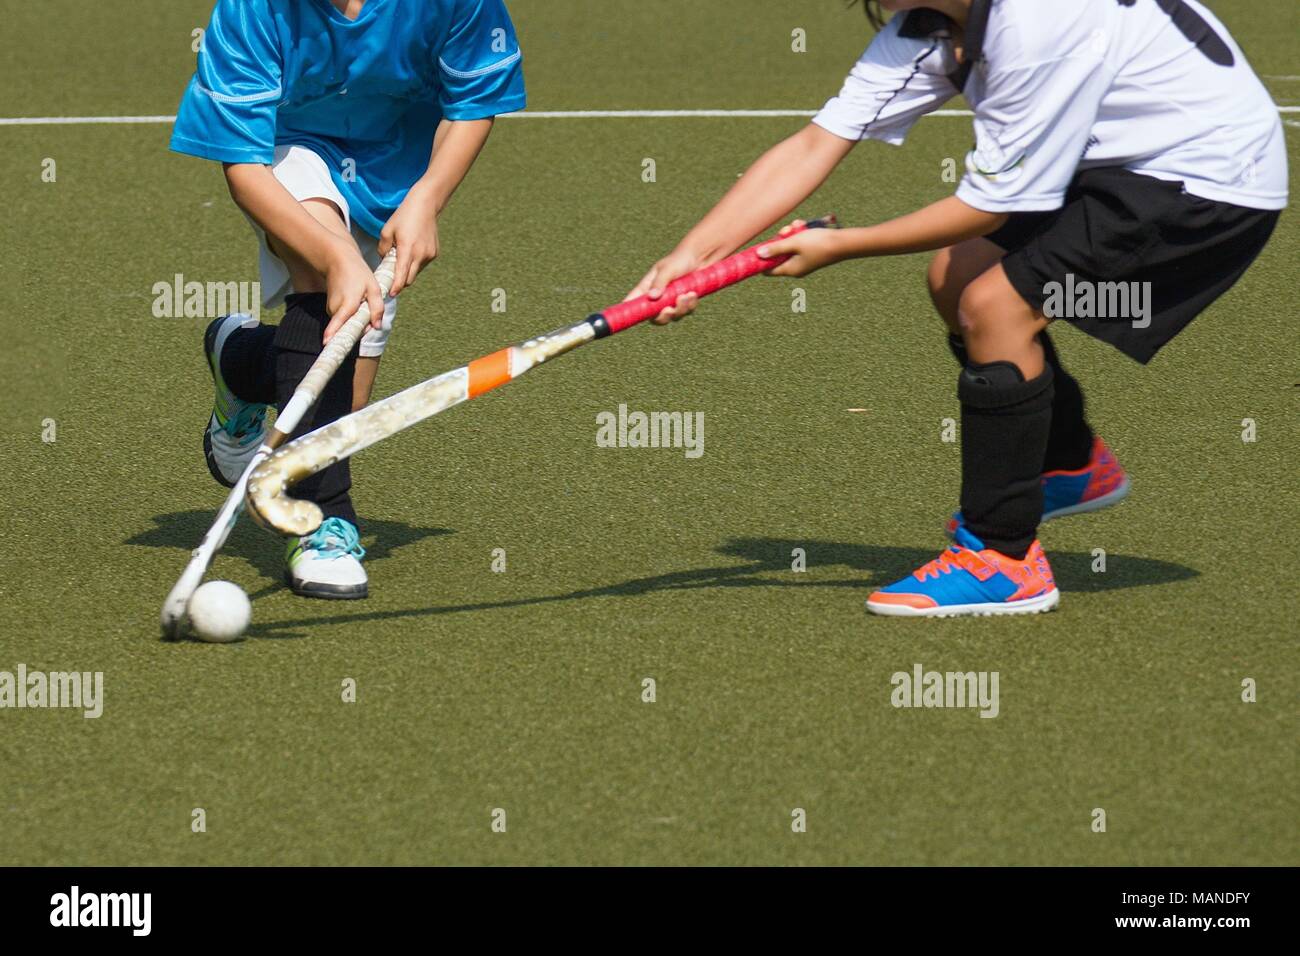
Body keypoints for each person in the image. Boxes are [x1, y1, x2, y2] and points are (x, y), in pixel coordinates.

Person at [626, 0, 1285, 618]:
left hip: (1208, 178)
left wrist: (842, 246)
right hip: (1122, 159)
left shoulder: (1035, 22)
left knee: (996, 304)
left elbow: (989, 205)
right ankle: (1069, 462)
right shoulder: (933, 22)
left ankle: (1003, 558)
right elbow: (815, 145)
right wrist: (694, 256)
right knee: (957, 274)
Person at [170, 0, 525, 598]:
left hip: (394, 167)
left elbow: (474, 99)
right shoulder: (252, 8)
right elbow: (243, 162)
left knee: (338, 400)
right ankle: (322, 525)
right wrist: (337, 256)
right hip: (286, 152)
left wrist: (427, 199)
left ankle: (240, 360)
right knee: (327, 290)